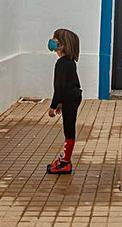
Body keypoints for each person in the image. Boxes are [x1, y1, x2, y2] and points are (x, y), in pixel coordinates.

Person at [46, 28, 82, 175]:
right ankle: (65, 158)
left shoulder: (62, 63)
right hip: (73, 97)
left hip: (70, 99)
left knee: (69, 129)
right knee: (68, 127)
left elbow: (59, 87)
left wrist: (53, 106)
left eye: (54, 39)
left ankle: (66, 162)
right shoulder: (70, 62)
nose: (52, 41)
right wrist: (62, 102)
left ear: (61, 45)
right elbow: (68, 84)